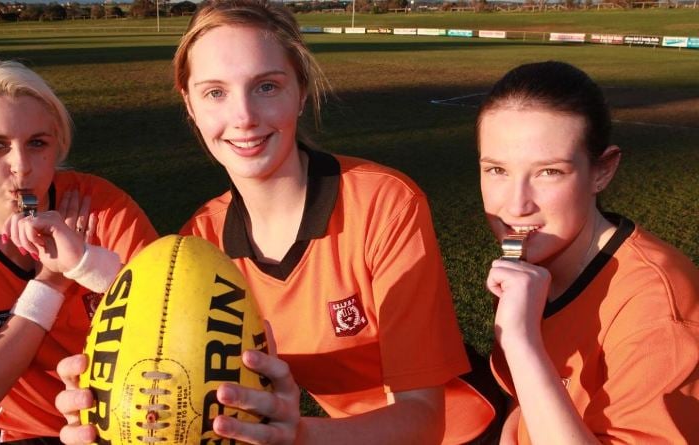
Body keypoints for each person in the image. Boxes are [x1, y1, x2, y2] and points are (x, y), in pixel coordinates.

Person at [55, 0, 496, 443]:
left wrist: (298, 435)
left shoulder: (382, 203)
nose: (244, 117)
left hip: (463, 433)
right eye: (215, 92)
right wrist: (113, 418)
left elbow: (424, 419)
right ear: (189, 104)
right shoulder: (201, 244)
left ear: (300, 92)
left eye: (266, 87)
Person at [0, 59, 158, 443]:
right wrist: (52, 280)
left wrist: (86, 262)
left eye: (37, 143)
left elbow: (170, 313)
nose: (21, 166)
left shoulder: (98, 204)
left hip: (129, 417)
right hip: (27, 431)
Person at [478, 61, 699, 444]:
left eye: (549, 172)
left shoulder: (657, 311)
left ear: (602, 170)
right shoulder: (526, 266)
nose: (516, 205)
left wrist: (521, 343)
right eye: (497, 170)